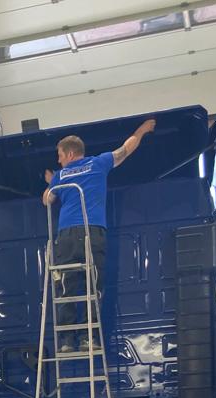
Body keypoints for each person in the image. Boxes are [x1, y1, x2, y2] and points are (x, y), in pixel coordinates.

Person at [43, 119, 156, 352]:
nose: (59, 160)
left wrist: (50, 182)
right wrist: (142, 130)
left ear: (70, 153)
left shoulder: (60, 175)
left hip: (66, 235)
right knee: (93, 285)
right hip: (92, 232)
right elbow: (126, 148)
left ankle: (67, 341)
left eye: (60, 155)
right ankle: (88, 338)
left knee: (66, 285)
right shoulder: (99, 163)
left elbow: (47, 200)